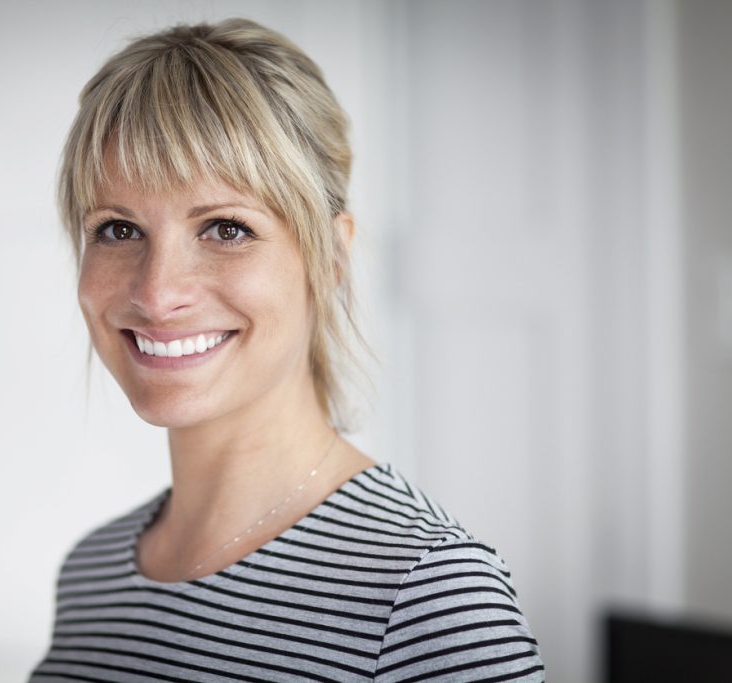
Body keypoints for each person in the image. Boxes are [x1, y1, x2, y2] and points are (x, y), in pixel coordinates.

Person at [29, 18, 544, 682]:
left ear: (330, 254)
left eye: (224, 227)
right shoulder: (92, 573)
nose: (157, 293)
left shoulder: (430, 595)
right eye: (119, 228)